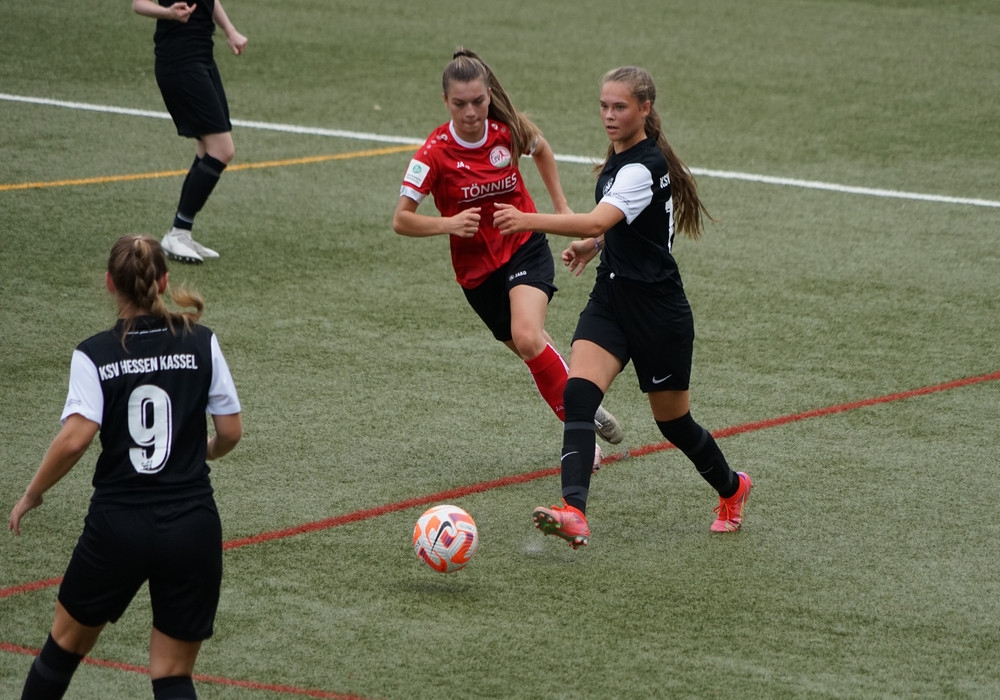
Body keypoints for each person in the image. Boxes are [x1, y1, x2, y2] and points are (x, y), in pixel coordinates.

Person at [494, 66, 751, 548]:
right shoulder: (623, 157)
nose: (609, 116)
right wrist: (596, 246)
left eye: (620, 107)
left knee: (673, 424)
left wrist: (528, 219)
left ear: (645, 109)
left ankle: (733, 489)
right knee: (578, 395)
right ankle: (574, 512)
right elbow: (624, 225)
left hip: (658, 312)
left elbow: (598, 217)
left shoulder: (640, 167)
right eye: (604, 106)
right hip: (612, 298)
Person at [9, 234, 243, 699]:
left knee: (63, 648)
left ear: (109, 283)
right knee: (172, 672)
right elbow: (230, 431)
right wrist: (203, 451)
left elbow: (76, 438)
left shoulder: (94, 353)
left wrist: (33, 493)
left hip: (118, 526)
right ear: (164, 282)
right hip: (191, 525)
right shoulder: (202, 342)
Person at [392, 48, 624, 465]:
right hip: (477, 276)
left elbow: (542, 149)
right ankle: (586, 408)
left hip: (523, 247)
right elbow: (401, 220)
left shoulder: (506, 130)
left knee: (528, 336)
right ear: (445, 101)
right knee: (534, 350)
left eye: (478, 101)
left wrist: (561, 206)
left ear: (488, 96)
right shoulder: (433, 153)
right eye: (460, 104)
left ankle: (580, 435)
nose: (470, 112)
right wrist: (448, 224)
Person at [132, 0, 249, 264]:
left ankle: (182, 232)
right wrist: (168, 13)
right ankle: (177, 233)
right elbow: (137, 4)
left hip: (203, 58)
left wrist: (230, 31)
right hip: (179, 61)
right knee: (222, 150)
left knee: (207, 150)